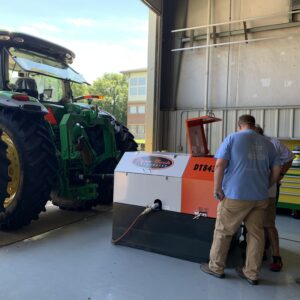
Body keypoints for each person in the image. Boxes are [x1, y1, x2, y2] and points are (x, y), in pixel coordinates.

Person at [200, 114, 281, 285]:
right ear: (253, 125)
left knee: (224, 231)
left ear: (240, 125)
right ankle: (252, 273)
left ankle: (216, 267)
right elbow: (276, 170)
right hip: (259, 197)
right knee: (256, 235)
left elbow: (220, 165)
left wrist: (217, 188)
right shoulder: (268, 143)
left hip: (235, 195)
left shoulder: (232, 138)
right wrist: (266, 185)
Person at [255, 125, 294, 272]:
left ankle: (276, 256)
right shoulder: (246, 143)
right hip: (250, 191)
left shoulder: (273, 144)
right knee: (254, 223)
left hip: (268, 190)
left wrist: (280, 175)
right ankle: (261, 250)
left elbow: (289, 157)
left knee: (268, 223)